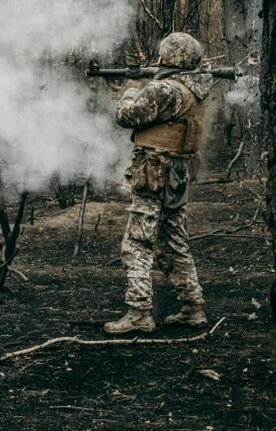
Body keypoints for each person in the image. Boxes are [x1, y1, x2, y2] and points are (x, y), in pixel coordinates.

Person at [104, 32, 212, 335]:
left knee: (137, 243)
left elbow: (126, 116)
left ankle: (139, 312)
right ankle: (193, 306)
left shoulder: (165, 89)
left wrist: (130, 89)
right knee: (175, 242)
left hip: (153, 173)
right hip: (176, 174)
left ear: (169, 58)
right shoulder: (196, 87)